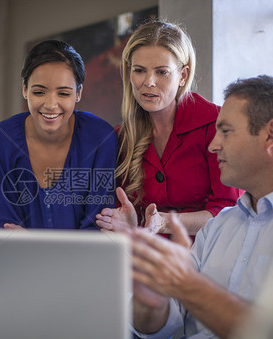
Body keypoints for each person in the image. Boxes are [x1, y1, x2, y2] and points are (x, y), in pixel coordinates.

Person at [130, 75, 273, 339]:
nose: (213, 145)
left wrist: (188, 285)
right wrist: (150, 301)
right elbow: (166, 324)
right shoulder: (219, 226)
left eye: (225, 131)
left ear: (271, 134)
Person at [96, 19, 240, 236]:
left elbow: (230, 212)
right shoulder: (119, 138)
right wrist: (129, 224)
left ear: (183, 75)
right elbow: (128, 220)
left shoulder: (216, 124)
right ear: (128, 72)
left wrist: (165, 222)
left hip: (207, 262)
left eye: (162, 72)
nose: (149, 82)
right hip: (146, 263)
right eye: (139, 70)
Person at [0, 40, 117, 229]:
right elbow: (4, 225)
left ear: (78, 93)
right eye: (39, 92)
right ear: (24, 89)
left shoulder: (101, 138)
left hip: (86, 259)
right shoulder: (2, 139)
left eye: (63, 94)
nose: (50, 104)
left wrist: (37, 247)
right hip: (20, 258)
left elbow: (100, 224)